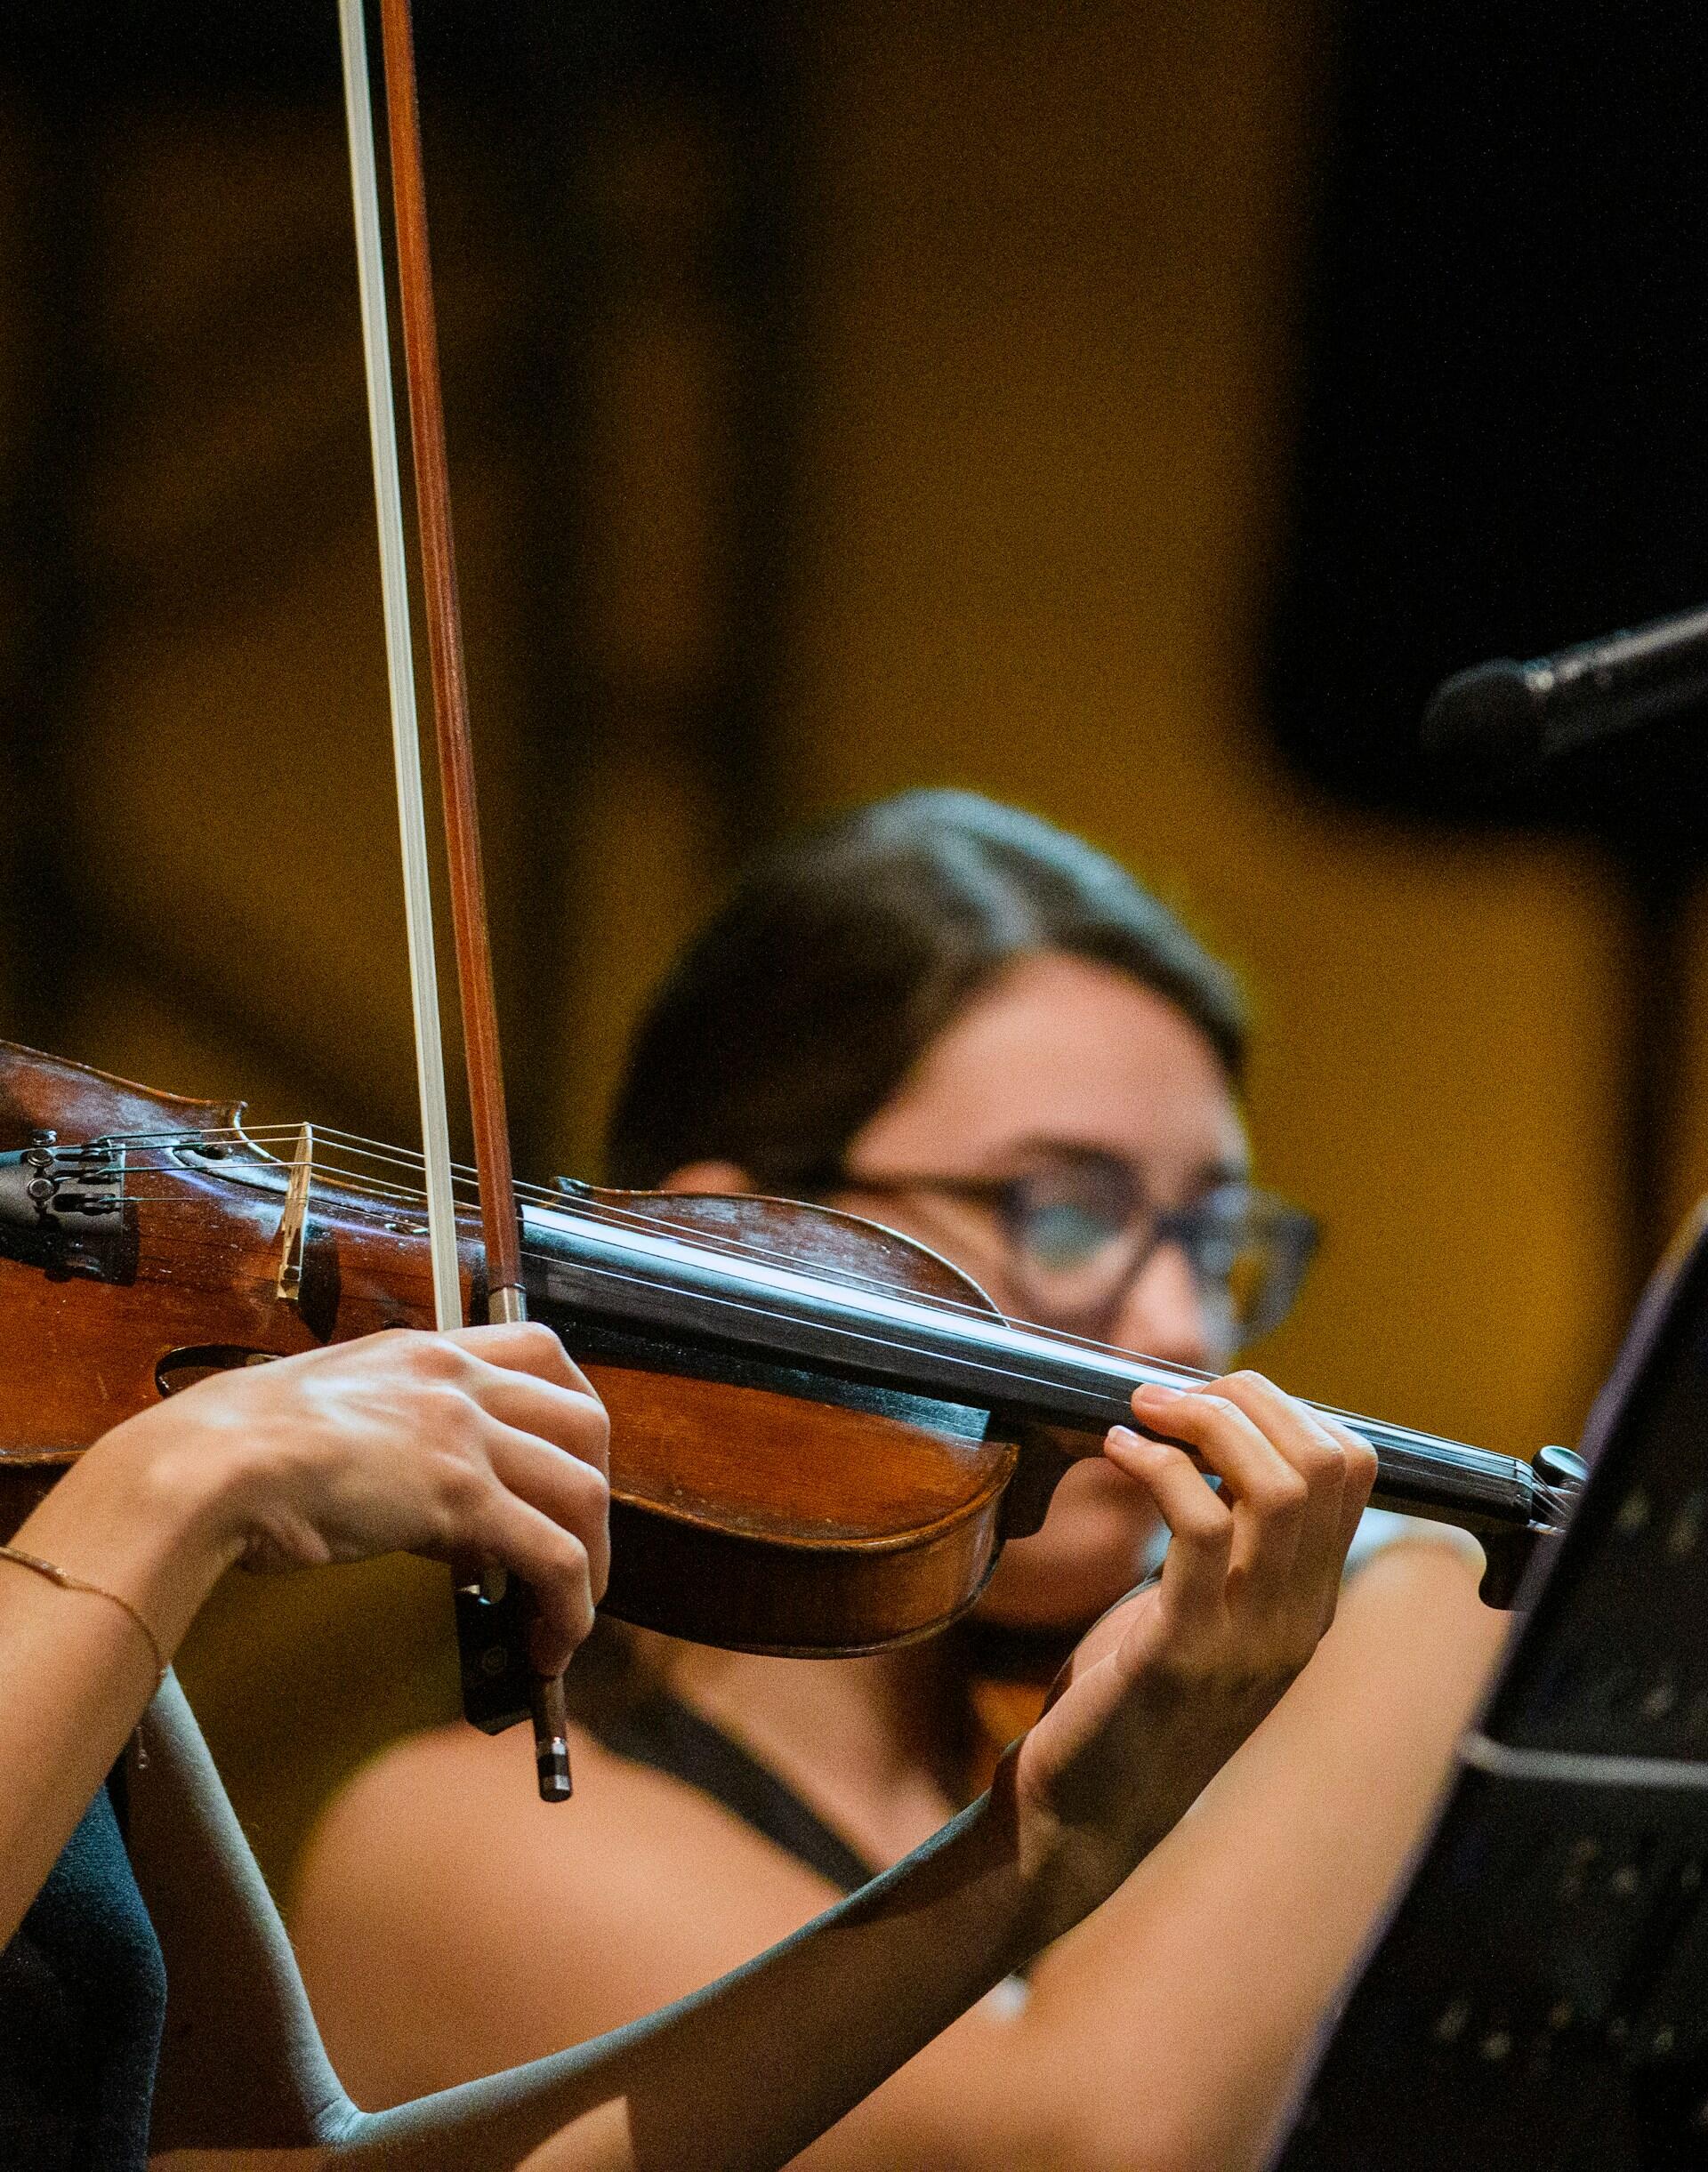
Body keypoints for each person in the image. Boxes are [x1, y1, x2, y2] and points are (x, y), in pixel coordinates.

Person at [292, 791, 1509, 2172]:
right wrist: (1431, 1594)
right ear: (746, 1248)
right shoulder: (456, 1838)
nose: (1181, 1323)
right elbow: (1081, 2145)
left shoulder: (1034, 1748)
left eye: (1212, 1237)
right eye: (1067, 1212)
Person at [1, 1266, 1365, 2162]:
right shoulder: (111, 1523)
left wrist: (1039, 1843)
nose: (1178, 1318)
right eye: (1060, 1204)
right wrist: (178, 1479)